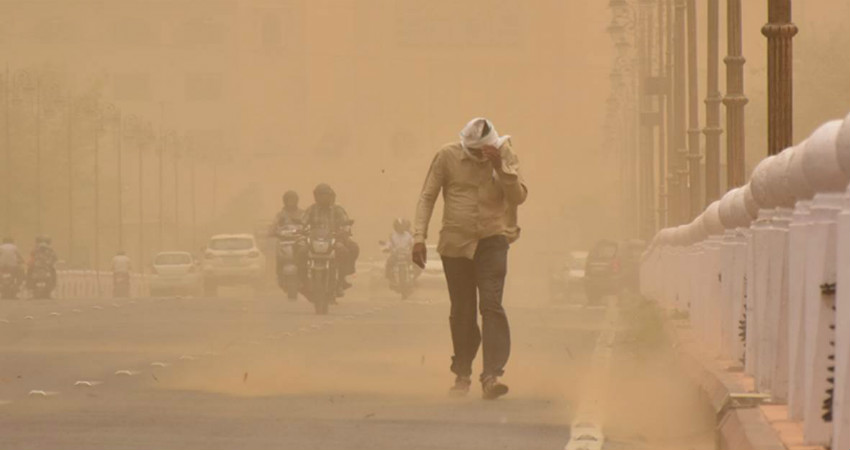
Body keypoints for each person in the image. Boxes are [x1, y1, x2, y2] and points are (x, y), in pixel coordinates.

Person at [413, 117, 528, 400]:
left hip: (493, 240)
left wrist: (500, 167)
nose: (479, 157)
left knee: (491, 305)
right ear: (466, 146)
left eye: (483, 152)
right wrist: (418, 237)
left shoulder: (504, 154)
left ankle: (491, 375)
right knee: (462, 310)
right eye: (475, 153)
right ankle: (462, 371)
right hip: (456, 243)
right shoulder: (447, 156)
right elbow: (427, 196)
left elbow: (519, 196)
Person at [302, 183, 359, 296]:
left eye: (325, 195)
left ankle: (342, 278)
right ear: (316, 196)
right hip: (314, 241)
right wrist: (300, 229)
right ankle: (302, 279)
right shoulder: (311, 209)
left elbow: (345, 222)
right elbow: (303, 222)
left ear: (330, 196)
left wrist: (345, 230)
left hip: (334, 241)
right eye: (320, 195)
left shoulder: (337, 209)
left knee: (350, 248)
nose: (323, 198)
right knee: (300, 250)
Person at [384, 218, 414, 286]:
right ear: (395, 227)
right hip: (396, 254)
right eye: (399, 227)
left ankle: (413, 276)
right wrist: (387, 248)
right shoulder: (392, 235)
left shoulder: (408, 235)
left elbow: (412, 242)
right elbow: (389, 243)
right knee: (389, 263)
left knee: (416, 263)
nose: (400, 228)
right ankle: (390, 278)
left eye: (402, 226)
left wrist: (414, 248)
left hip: (406, 254)